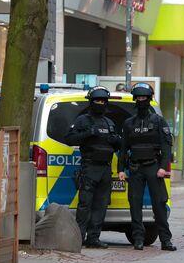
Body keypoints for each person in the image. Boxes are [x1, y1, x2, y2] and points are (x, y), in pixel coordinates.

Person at [118, 83, 176, 251]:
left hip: (154, 167)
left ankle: (166, 240)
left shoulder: (158, 121)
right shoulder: (129, 123)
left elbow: (166, 146)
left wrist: (163, 167)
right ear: (135, 99)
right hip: (135, 168)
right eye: (139, 98)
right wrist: (121, 169)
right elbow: (123, 149)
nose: (141, 100)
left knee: (159, 203)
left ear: (149, 99)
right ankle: (138, 238)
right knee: (134, 203)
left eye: (144, 98)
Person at [65, 86, 122, 249]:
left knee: (101, 205)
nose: (100, 103)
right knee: (85, 205)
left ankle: (94, 238)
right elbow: (69, 139)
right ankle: (79, 238)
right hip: (90, 167)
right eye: (97, 100)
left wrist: (116, 141)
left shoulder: (109, 122)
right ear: (91, 102)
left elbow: (119, 143)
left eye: (103, 101)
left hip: (105, 169)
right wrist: (88, 133)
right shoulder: (83, 120)